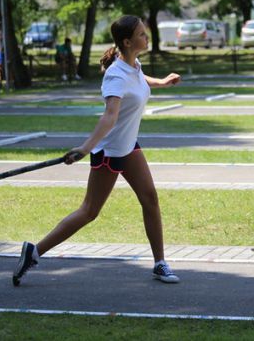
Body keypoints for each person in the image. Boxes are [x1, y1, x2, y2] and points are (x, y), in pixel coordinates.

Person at [13, 15, 182, 286]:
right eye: (141, 34)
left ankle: (160, 263)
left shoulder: (133, 64)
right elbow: (109, 116)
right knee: (89, 211)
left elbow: (138, 81)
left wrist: (161, 82)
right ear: (127, 42)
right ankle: (34, 252)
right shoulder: (115, 74)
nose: (146, 36)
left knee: (150, 198)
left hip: (128, 146)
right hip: (111, 152)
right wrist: (85, 148)